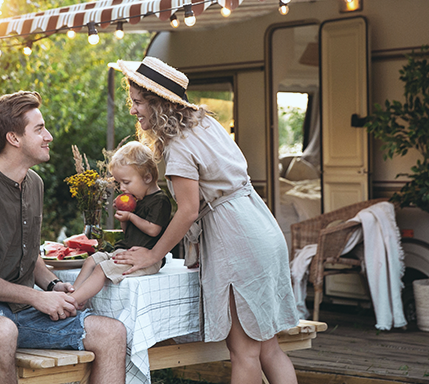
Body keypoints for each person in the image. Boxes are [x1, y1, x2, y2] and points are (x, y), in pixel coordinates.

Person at [109, 57, 301, 384]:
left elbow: (188, 211)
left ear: (158, 104)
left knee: (244, 352)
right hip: (260, 225)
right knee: (267, 346)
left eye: (138, 102)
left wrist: (154, 254)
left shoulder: (180, 148)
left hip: (236, 237)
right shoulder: (204, 124)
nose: (133, 110)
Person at [0, 91, 126, 384]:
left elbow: (29, 255)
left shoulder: (34, 183)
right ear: (14, 138)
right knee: (1, 331)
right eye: (39, 129)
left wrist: (53, 285)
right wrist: (37, 298)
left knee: (112, 332)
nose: (48, 136)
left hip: (19, 312)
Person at [70, 141, 172, 304]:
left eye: (126, 182)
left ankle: (72, 302)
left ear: (147, 177)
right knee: (92, 260)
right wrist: (124, 216)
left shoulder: (160, 201)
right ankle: (71, 294)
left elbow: (153, 230)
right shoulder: (137, 200)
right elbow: (128, 233)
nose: (122, 188)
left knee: (101, 269)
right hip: (125, 251)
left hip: (146, 259)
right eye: (119, 183)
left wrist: (131, 217)